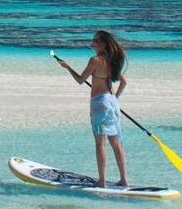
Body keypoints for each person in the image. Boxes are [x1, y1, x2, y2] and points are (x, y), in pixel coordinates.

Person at [54, 29, 130, 187]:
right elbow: (123, 82)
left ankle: (101, 181)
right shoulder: (112, 60)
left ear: (103, 44)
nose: (92, 42)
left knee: (100, 143)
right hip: (111, 102)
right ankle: (123, 179)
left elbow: (81, 80)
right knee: (115, 143)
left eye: (96, 40)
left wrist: (67, 67)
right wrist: (114, 98)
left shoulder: (95, 60)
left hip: (99, 102)